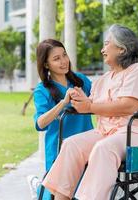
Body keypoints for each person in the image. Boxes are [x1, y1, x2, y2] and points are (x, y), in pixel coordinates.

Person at [42, 24, 138, 200]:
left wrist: (90, 107)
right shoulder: (105, 79)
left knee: (103, 148)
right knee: (71, 144)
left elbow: (128, 106)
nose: (102, 50)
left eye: (107, 44)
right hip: (107, 132)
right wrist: (81, 100)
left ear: (122, 49)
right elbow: (92, 104)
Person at [33, 39, 94, 199]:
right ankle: (40, 189)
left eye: (64, 55)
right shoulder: (42, 90)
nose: (63, 61)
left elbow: (97, 100)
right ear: (46, 65)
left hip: (87, 144)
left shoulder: (81, 81)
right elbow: (40, 123)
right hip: (59, 149)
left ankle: (38, 187)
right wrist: (63, 103)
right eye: (56, 58)